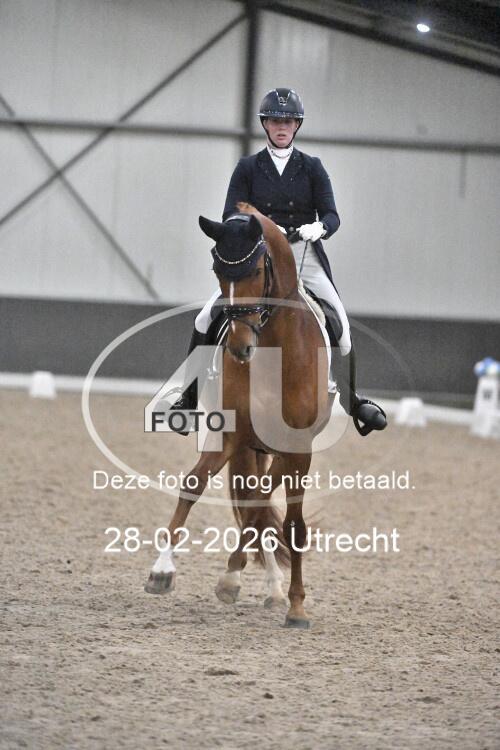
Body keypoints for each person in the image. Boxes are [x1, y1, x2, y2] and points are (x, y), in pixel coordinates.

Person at [172, 87, 386, 436]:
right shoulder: (248, 167)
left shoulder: (312, 168)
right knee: (204, 317)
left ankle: (353, 402)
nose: (282, 126)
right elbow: (230, 212)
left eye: (288, 121)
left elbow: (332, 214)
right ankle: (188, 399)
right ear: (265, 125)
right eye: (275, 120)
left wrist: (320, 227)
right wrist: (258, 227)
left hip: (303, 256)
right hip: (259, 254)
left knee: (342, 326)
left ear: (296, 125)